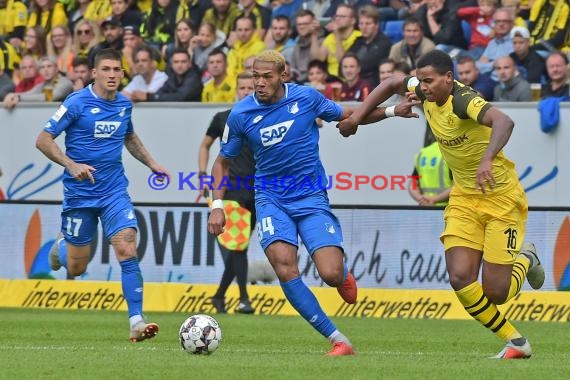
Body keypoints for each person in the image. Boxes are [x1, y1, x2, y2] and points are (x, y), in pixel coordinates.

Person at [207, 50, 419, 356]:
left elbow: (349, 116)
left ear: (283, 76)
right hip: (270, 200)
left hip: (310, 198)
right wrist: (217, 206)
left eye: (267, 76)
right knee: (284, 268)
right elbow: (222, 163)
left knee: (330, 274)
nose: (260, 83)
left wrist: (390, 112)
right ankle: (338, 339)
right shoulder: (241, 114)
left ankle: (342, 275)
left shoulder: (306, 98)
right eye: (255, 76)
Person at [338, 49, 545, 359]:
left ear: (449, 78)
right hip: (464, 196)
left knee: (496, 293)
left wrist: (487, 158)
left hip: (501, 198)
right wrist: (356, 117)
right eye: (420, 81)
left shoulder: (463, 101)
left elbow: (504, 121)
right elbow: (392, 83)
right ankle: (516, 342)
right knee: (460, 277)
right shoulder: (424, 90)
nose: (423, 87)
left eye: (430, 81)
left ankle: (526, 257)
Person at [35, 48, 170, 343]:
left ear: (123, 74)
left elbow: (129, 137)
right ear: (94, 73)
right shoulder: (76, 103)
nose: (112, 75)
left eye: (117, 70)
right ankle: (61, 247)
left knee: (127, 249)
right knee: (76, 267)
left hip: (114, 193)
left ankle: (136, 320)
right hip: (80, 196)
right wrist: (71, 165)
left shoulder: (124, 105)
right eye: (106, 69)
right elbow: (43, 139)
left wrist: (152, 164)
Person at [198, 72, 257, 314]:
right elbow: (205, 145)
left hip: (256, 189)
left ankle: (220, 296)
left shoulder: (262, 118)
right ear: (236, 90)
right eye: (241, 87)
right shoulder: (223, 118)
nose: (244, 91)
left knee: (238, 246)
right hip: (230, 189)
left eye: (248, 87)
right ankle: (243, 299)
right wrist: (202, 174)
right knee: (239, 246)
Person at [407, 141, 453, 206]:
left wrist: (420, 198)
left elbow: (413, 184)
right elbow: (458, 186)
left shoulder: (423, 153)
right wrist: (433, 199)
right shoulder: (451, 153)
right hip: (447, 209)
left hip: (426, 208)